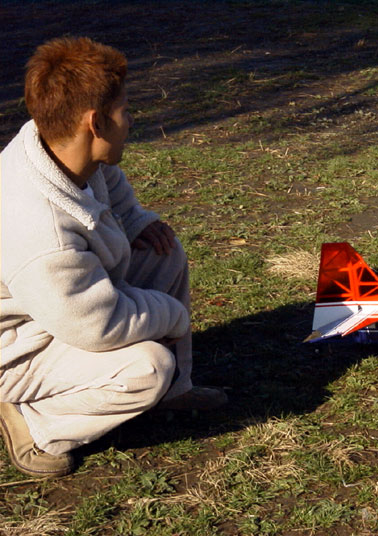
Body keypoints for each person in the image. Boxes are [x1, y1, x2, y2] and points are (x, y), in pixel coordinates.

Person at [0, 37, 226, 478]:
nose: (131, 120)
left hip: (54, 307)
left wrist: (136, 220)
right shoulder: (42, 233)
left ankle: (175, 390)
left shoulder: (53, 144)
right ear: (96, 122)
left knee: (163, 252)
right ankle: (34, 419)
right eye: (125, 110)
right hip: (15, 349)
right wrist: (172, 316)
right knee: (148, 368)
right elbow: (99, 326)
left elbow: (107, 182)